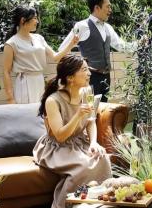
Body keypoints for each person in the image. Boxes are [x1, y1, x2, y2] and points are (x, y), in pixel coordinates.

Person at [33, 55, 111, 208]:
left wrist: (93, 143)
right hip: (57, 148)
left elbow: (91, 121)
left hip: (79, 142)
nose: (89, 73)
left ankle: (97, 203)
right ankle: (64, 204)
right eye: (84, 70)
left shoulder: (87, 91)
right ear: (70, 78)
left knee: (103, 158)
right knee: (83, 165)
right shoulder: (53, 100)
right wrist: (78, 115)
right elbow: (60, 136)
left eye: (88, 69)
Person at [60, 0, 152, 102]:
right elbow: (62, 49)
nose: (110, 10)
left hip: (106, 78)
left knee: (103, 108)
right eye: (108, 7)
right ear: (97, 8)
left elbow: (122, 46)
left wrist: (139, 43)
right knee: (90, 107)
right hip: (89, 79)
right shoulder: (82, 26)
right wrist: (77, 67)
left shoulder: (108, 28)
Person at [3, 6, 78, 104]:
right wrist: (10, 98)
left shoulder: (39, 38)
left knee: (40, 110)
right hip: (24, 83)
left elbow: (55, 57)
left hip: (39, 80)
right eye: (34, 18)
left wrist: (71, 44)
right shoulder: (11, 43)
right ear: (23, 20)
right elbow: (6, 72)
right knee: (26, 111)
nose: (37, 21)